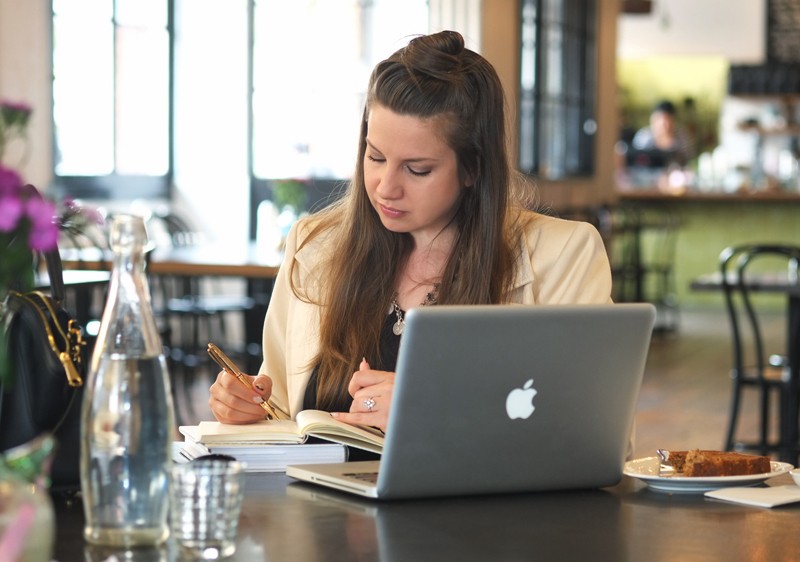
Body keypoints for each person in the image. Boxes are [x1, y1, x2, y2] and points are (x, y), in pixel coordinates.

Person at [208, 31, 612, 433]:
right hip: (317, 496)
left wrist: (432, 409)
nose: (385, 187)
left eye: (417, 170)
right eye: (375, 156)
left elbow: (587, 432)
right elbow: (280, 406)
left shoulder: (563, 256)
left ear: (474, 168)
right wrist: (246, 407)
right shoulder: (312, 247)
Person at [631, 100, 695, 167]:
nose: (663, 124)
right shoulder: (644, 136)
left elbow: (690, 161)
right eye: (659, 119)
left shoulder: (682, 136)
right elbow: (636, 161)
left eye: (667, 119)